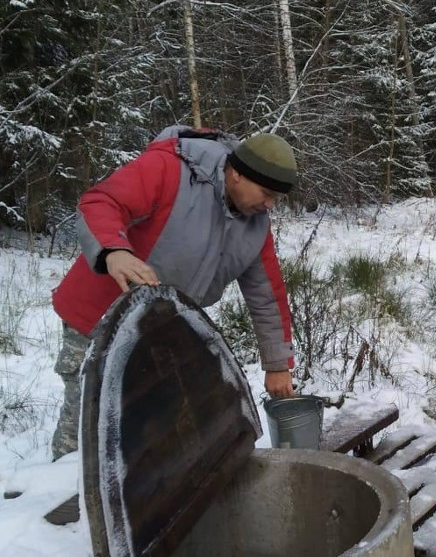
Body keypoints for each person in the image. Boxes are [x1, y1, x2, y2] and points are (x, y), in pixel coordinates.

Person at [50, 125, 299, 460]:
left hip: (158, 331)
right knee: (86, 433)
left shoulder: (256, 226)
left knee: (143, 430)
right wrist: (114, 251)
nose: (269, 204)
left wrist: (277, 363)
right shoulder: (171, 170)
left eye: (276, 198)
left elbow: (267, 295)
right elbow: (101, 201)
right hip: (96, 318)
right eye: (266, 192)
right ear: (238, 174)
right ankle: (66, 507)